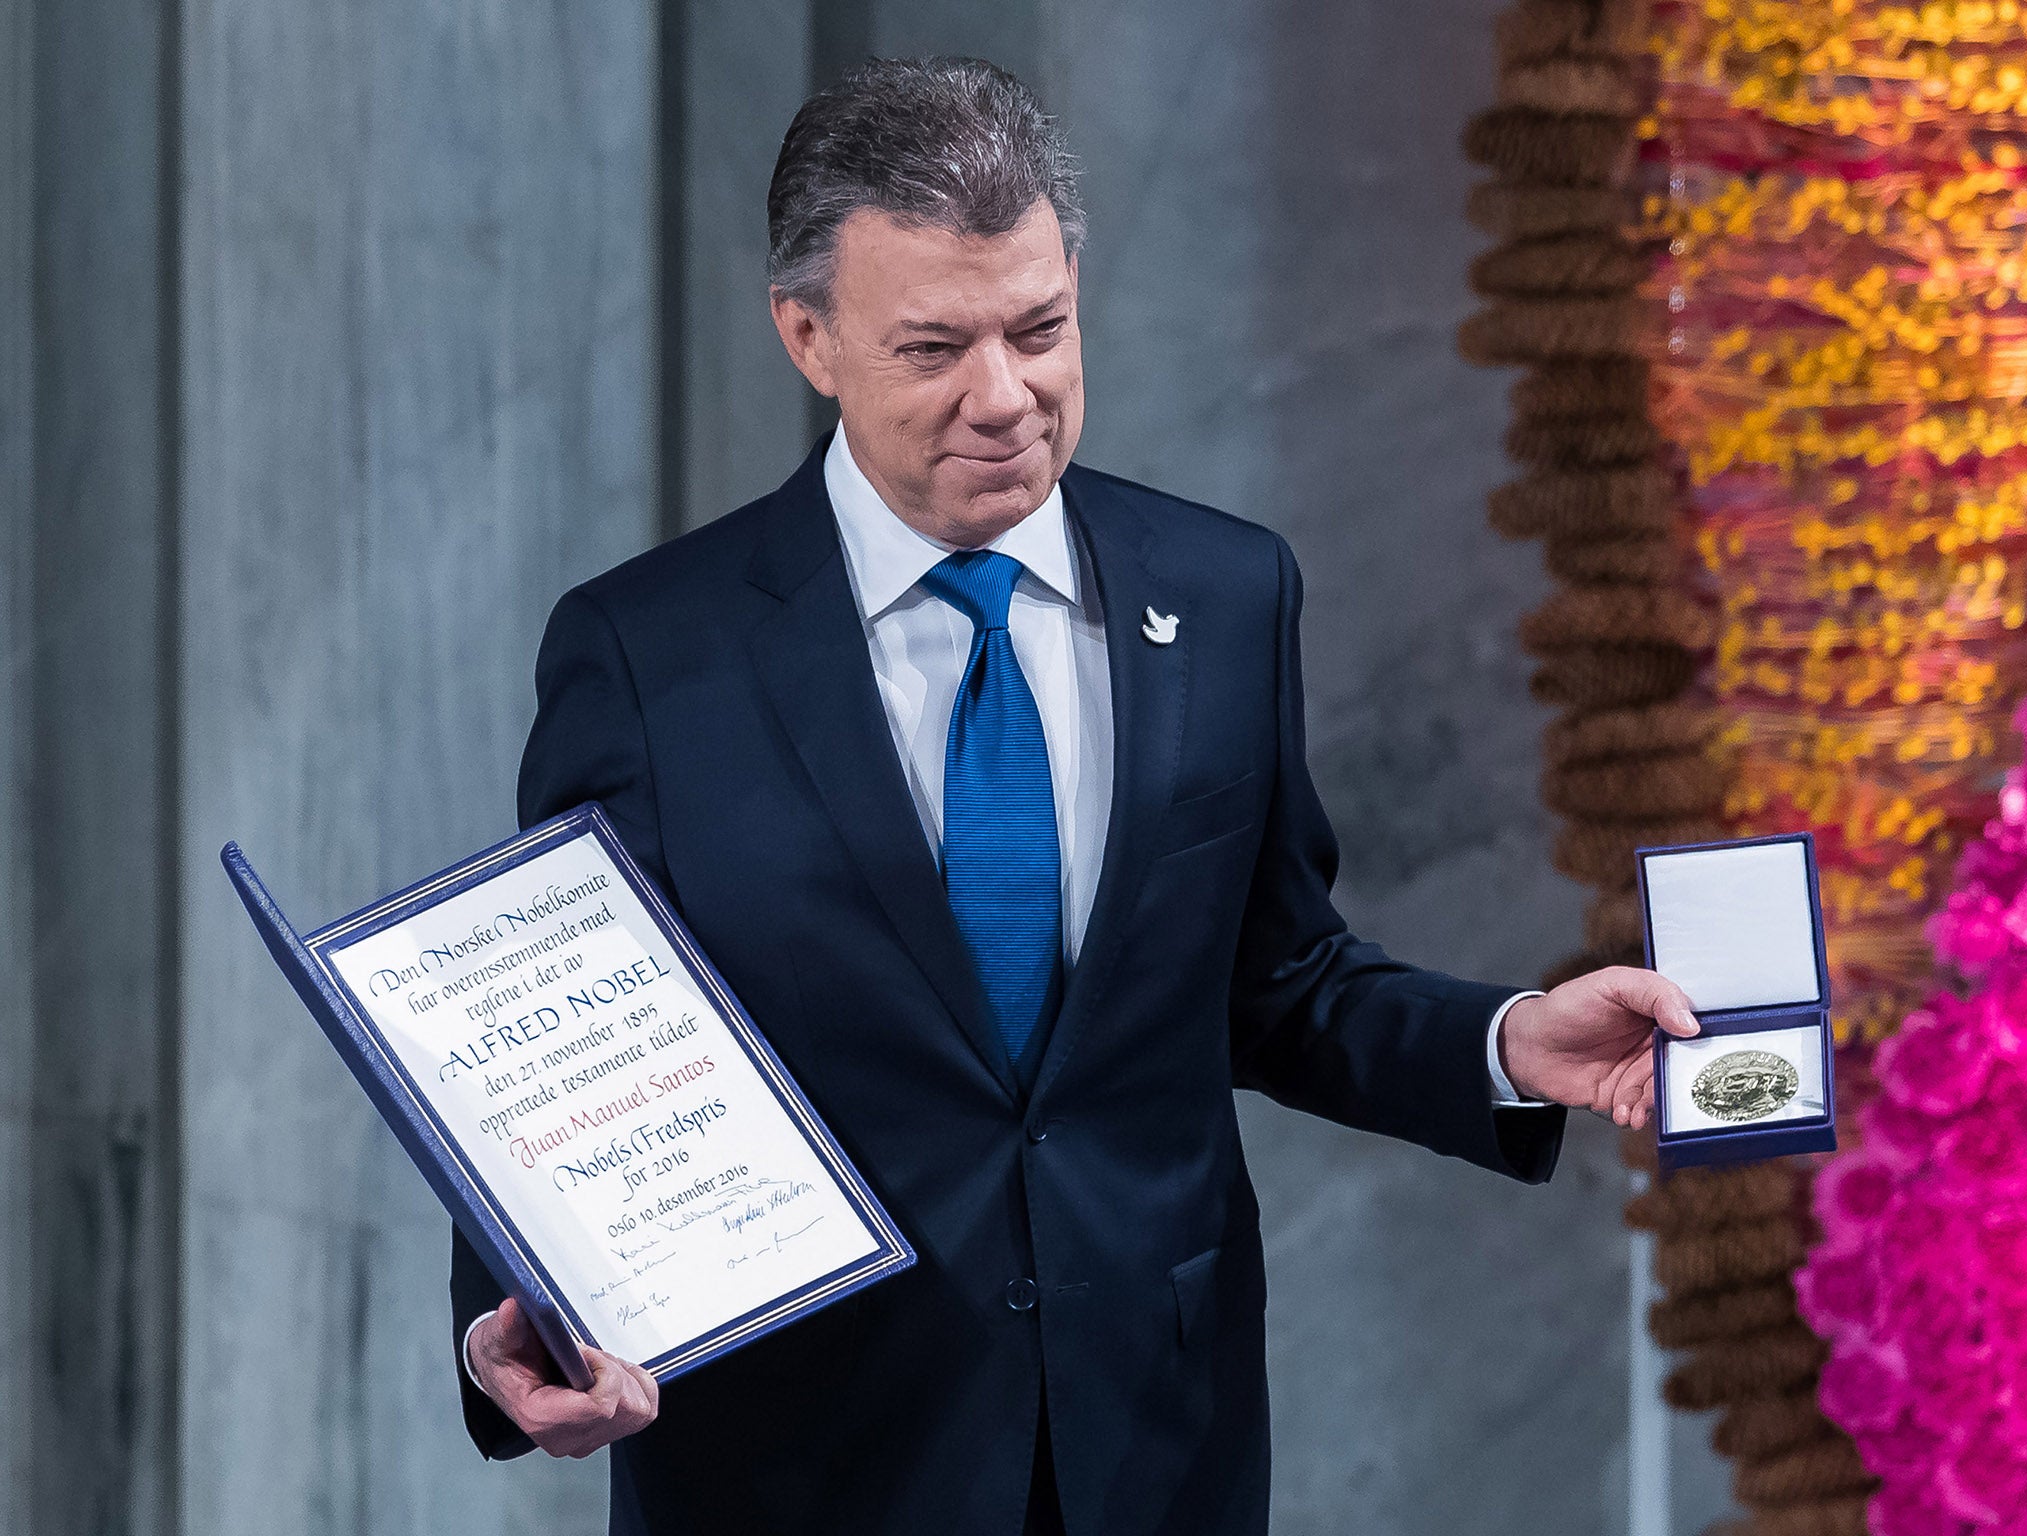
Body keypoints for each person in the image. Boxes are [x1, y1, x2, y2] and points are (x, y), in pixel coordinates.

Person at [451, 55, 1699, 1536]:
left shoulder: (1229, 595)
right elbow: (554, 1059)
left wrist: (1507, 1043)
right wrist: (513, 1321)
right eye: (933, 349)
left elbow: (1279, 983)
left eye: (1039, 329)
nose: (1006, 398)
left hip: (1155, 1453)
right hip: (800, 1461)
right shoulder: (649, 651)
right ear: (808, 337)